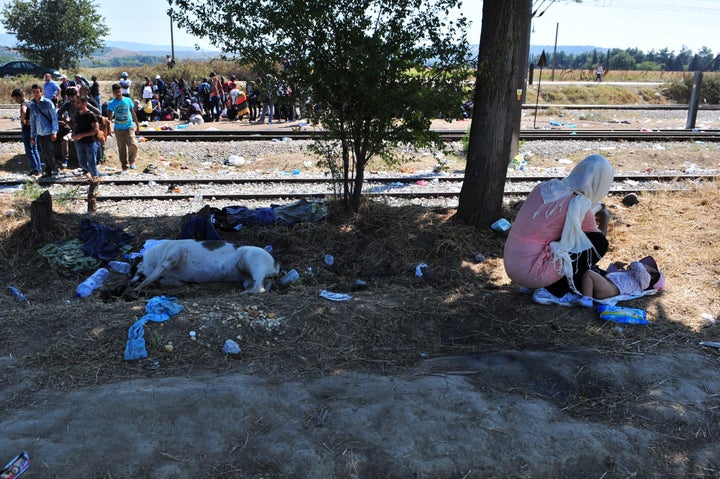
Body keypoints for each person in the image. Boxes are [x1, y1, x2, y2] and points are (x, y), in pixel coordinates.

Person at [503, 154, 614, 306]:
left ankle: (533, 285)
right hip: (532, 272)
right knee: (599, 243)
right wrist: (605, 216)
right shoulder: (578, 204)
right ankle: (552, 291)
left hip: (512, 265)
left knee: (563, 235)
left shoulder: (545, 187)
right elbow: (597, 240)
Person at [573, 256, 665, 307]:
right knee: (587, 272)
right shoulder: (632, 275)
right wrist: (615, 267)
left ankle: (587, 299)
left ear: (652, 276)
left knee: (588, 273)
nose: (645, 265)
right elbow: (609, 274)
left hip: (609, 289)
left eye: (648, 266)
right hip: (607, 284)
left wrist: (645, 267)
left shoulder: (644, 282)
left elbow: (637, 265)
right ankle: (585, 293)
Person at [106, 83, 140, 172]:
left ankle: (132, 161)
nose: (118, 94)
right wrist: (109, 128)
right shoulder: (112, 103)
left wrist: (138, 125)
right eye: (116, 92)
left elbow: (133, 113)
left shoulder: (128, 100)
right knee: (122, 148)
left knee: (133, 144)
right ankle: (124, 166)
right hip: (118, 128)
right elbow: (109, 117)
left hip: (129, 126)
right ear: (113, 93)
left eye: (119, 91)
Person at [28, 83, 59, 178]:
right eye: (34, 92)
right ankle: (48, 170)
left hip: (49, 132)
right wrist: (32, 135)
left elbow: (54, 118)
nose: (36, 94)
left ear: (41, 92)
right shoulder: (32, 105)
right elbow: (32, 121)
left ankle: (55, 169)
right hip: (40, 133)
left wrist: (54, 132)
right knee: (44, 153)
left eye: (37, 92)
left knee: (51, 152)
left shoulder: (48, 103)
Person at [11, 88, 42, 176]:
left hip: (27, 130)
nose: (16, 100)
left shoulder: (24, 104)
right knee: (35, 149)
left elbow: (24, 111)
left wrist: (23, 120)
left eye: (16, 98)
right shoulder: (30, 103)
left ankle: (35, 169)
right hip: (33, 129)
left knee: (29, 150)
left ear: (20, 97)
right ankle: (38, 168)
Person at [70, 96, 100, 180]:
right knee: (82, 163)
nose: (76, 104)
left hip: (90, 142)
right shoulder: (78, 114)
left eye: (78, 102)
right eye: (76, 102)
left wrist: (82, 135)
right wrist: (74, 134)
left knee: (91, 162)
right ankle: (94, 173)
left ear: (84, 103)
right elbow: (77, 127)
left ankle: (95, 179)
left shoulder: (91, 115)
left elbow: (96, 130)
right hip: (80, 142)